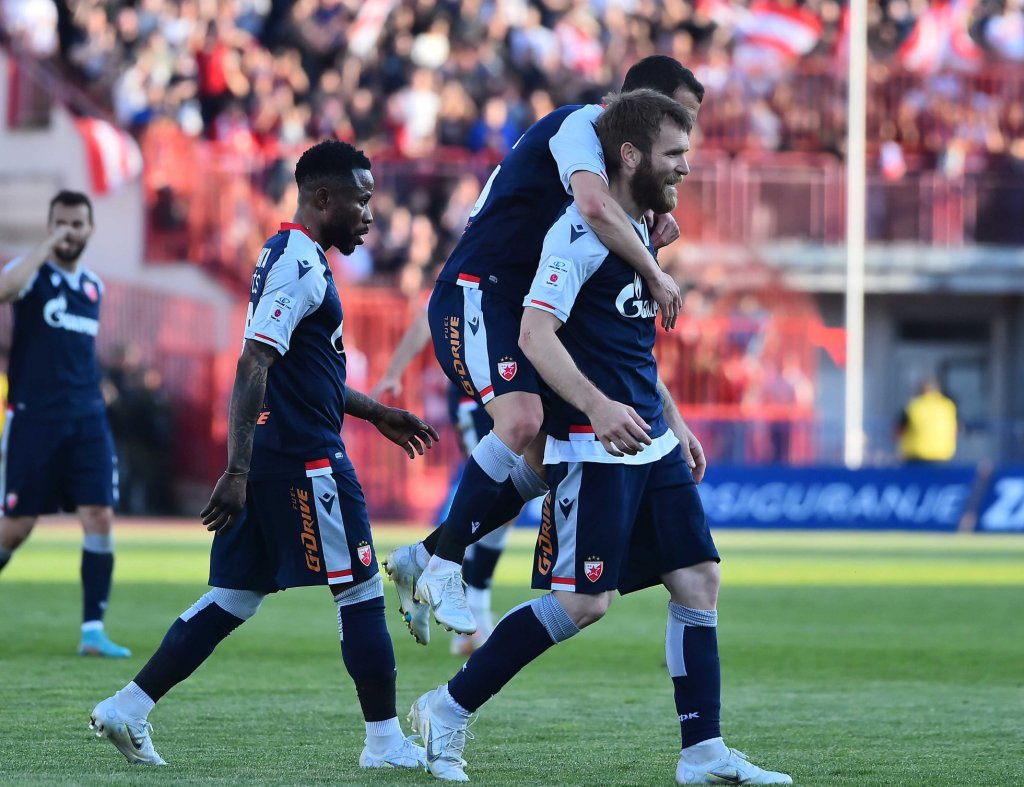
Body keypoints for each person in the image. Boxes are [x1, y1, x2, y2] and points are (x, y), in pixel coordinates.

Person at [408, 90, 790, 785]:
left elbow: (630, 346)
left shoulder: (636, 231)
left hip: (652, 441)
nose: (685, 168)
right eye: (675, 154)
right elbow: (535, 335)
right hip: (595, 445)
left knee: (699, 580)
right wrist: (596, 406)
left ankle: (703, 753)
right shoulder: (578, 234)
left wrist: (674, 421)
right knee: (584, 603)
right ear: (631, 155)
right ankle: (447, 707)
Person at [89, 140, 440, 769]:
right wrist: (236, 469)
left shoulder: (291, 255)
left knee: (234, 597)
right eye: (361, 200)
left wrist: (375, 411)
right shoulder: (298, 263)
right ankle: (385, 743)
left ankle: (128, 706)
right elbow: (253, 362)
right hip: (306, 461)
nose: (369, 215)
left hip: (278, 456)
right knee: (360, 591)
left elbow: (303, 372)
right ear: (323, 198)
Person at [385, 55, 708, 643]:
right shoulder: (579, 126)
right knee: (522, 418)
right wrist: (654, 270)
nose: (685, 143)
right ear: (640, 109)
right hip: (478, 292)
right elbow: (591, 206)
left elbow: (630, 343)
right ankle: (446, 566)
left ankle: (423, 555)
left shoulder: (625, 196)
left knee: (539, 461)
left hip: (518, 304)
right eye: (677, 120)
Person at [0, 190, 131, 658]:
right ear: (49, 225)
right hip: (35, 418)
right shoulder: (31, 273)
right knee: (17, 527)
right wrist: (45, 246)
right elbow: (4, 291)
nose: (69, 232)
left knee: (99, 515)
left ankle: (92, 631)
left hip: (87, 420)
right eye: (60, 223)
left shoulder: (93, 286)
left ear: (90, 229)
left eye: (77, 224)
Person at [371, 308, 509, 653]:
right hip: (476, 394)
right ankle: (471, 606)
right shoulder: (475, 275)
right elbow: (429, 315)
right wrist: (393, 372)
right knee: (497, 492)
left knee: (510, 496)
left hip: (512, 390)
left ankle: (422, 562)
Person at [898, 377, 958, 463]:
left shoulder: (914, 406)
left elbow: (899, 431)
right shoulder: (948, 406)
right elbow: (954, 429)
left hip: (916, 456)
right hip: (943, 456)